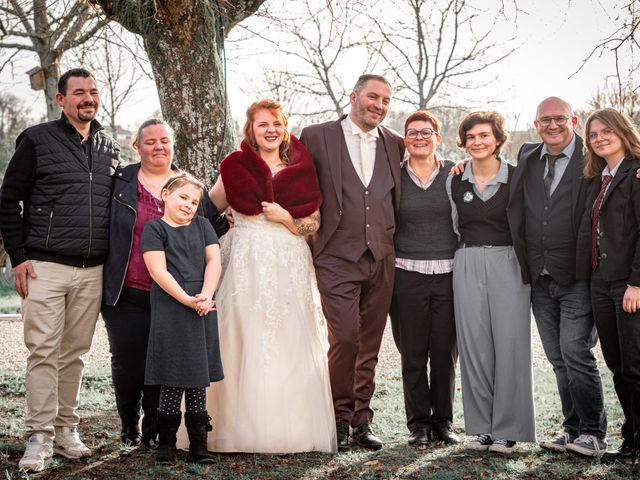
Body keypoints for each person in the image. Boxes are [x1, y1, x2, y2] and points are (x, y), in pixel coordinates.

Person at [193, 98, 336, 453]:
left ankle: (290, 429)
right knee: (241, 332)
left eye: (276, 123)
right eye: (262, 124)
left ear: (284, 127)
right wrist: (221, 229)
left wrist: (286, 218)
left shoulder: (302, 167)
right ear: (251, 130)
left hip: (288, 259)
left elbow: (313, 224)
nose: (270, 130)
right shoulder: (235, 166)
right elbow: (207, 209)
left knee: (288, 334)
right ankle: (233, 426)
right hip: (244, 260)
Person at [0, 68, 120, 472]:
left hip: (92, 270)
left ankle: (67, 430)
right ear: (61, 99)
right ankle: (39, 437)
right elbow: (8, 200)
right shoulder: (36, 139)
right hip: (44, 265)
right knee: (43, 353)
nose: (88, 98)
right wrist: (18, 256)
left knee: (75, 355)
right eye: (79, 92)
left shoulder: (109, 147)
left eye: (93, 91)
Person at [101, 119, 228, 449]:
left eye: (165, 141)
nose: (158, 147)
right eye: (149, 142)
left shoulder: (186, 185)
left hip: (176, 296)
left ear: (173, 144)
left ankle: (154, 431)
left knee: (163, 362)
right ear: (137, 147)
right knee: (129, 362)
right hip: (128, 288)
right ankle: (129, 423)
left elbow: (209, 225)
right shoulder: (121, 182)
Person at [300, 74, 404, 451]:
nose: (379, 105)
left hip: (381, 255)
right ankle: (339, 418)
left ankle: (362, 420)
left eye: (386, 100)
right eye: (373, 97)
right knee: (344, 337)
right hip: (334, 255)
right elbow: (288, 176)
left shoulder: (395, 143)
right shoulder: (316, 135)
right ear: (354, 96)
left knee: (370, 343)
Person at [507, 97, 607, 457]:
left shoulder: (591, 156)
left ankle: (594, 432)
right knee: (557, 356)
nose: (552, 125)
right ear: (536, 125)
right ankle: (572, 429)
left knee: (575, 351)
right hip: (539, 276)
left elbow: (623, 163)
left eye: (559, 119)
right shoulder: (527, 156)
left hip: (577, 276)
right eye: (545, 120)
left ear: (574, 120)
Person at [447, 111, 535, 454]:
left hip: (508, 260)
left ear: (498, 139)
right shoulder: (454, 178)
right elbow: (453, 224)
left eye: (484, 136)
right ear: (463, 142)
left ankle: (508, 429)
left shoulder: (517, 177)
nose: (477, 142)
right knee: (474, 345)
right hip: (467, 260)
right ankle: (482, 427)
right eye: (471, 137)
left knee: (510, 343)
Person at [141, 172, 223, 464]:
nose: (189, 205)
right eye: (183, 197)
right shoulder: (155, 229)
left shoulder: (202, 226)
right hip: (172, 306)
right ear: (165, 194)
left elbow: (213, 260)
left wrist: (205, 294)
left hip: (202, 305)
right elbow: (158, 271)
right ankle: (166, 444)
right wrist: (187, 299)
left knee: (198, 380)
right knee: (173, 378)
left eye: (194, 201)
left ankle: (199, 445)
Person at [389, 111, 459, 447]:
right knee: (413, 354)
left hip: (448, 275)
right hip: (407, 275)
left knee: (445, 354)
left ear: (438, 137)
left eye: (426, 132)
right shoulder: (394, 177)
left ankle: (443, 422)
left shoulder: (456, 174)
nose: (419, 137)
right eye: (412, 132)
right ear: (405, 139)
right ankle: (418, 423)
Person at [576, 108, 640, 470]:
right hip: (601, 283)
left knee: (636, 367)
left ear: (621, 130)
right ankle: (630, 441)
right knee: (617, 366)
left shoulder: (636, 172)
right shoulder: (598, 177)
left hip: (629, 285)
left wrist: (637, 282)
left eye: (606, 131)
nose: (600, 137)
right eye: (594, 134)